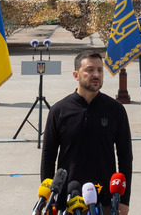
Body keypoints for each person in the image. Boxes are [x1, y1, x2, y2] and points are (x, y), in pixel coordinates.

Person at [40, 51, 133, 215]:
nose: (96, 74)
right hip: (67, 199)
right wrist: (48, 200)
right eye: (90, 70)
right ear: (76, 75)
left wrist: (124, 201)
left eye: (100, 70)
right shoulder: (59, 111)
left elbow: (125, 157)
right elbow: (48, 157)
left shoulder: (115, 110)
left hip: (105, 201)